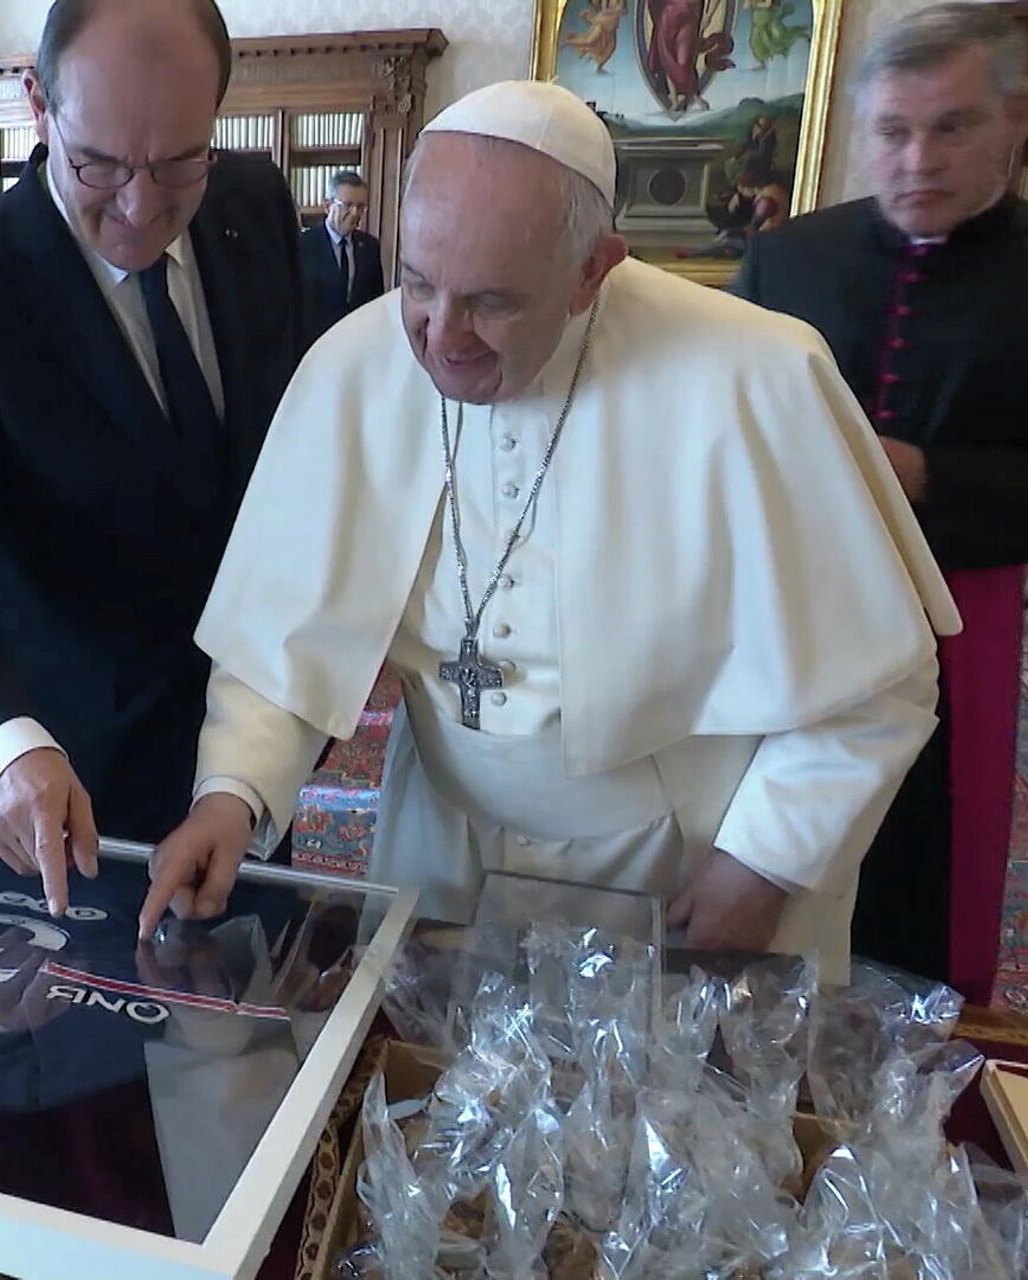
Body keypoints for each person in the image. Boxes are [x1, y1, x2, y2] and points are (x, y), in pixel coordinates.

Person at [141, 80, 961, 978]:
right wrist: (234, 794)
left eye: (491, 303)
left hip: (675, 866)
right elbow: (279, 641)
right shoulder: (356, 367)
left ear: (591, 270)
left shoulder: (756, 377)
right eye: (417, 282)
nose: (440, 338)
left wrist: (768, 857)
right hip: (437, 853)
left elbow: (879, 682)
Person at [0, 0, 304, 916]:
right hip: (74, 794)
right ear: (39, 103)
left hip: (257, 757)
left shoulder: (255, 207)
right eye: (99, 164)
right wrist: (5, 748)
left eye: (178, 162)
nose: (141, 206)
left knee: (260, 1037)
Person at [731, 3, 1028, 1001]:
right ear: (861, 134)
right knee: (761, 833)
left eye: (953, 126)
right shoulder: (787, 260)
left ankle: (909, 1071)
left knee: (922, 869)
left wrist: (927, 475)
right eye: (894, 131)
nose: (918, 157)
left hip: (956, 614)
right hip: (786, 608)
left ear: (1014, 122)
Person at [300, 170, 386, 344]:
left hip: (358, 345)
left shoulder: (370, 247)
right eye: (347, 205)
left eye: (361, 207)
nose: (355, 213)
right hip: (315, 345)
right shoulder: (303, 246)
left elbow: (376, 302)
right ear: (327, 205)